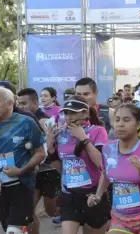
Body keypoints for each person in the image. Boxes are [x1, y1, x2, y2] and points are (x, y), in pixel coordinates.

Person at [87, 103, 140, 234]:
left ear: (138, 124)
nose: (120, 124)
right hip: (120, 219)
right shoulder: (108, 148)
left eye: (126, 120)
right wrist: (98, 195)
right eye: (117, 120)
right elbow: (106, 173)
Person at [46, 96, 110, 234]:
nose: (69, 117)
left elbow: (101, 164)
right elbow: (61, 169)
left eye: (74, 112)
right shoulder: (61, 133)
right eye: (66, 113)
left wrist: (83, 139)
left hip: (93, 194)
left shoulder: (97, 131)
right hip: (69, 194)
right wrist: (51, 150)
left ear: (85, 113)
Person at [0, 86, 46, 233]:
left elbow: (40, 153)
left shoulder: (26, 122)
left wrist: (21, 170)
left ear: (10, 103)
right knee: (10, 228)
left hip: (22, 185)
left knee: (14, 231)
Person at [17, 88, 60, 234]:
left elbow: (52, 146)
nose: (21, 106)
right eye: (19, 103)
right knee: (29, 211)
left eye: (24, 103)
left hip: (49, 171)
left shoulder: (44, 120)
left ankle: (73, 212)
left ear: (35, 102)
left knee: (52, 210)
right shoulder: (21, 120)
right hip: (33, 171)